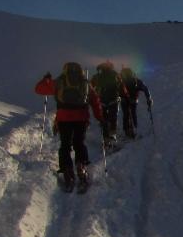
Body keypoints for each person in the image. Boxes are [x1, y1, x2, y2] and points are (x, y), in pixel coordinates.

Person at [35, 62, 103, 191]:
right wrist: (100, 118)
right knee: (79, 143)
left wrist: (46, 80)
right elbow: (95, 101)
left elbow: (39, 89)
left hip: (64, 117)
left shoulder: (59, 82)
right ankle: (81, 167)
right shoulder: (85, 83)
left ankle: (67, 171)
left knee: (65, 144)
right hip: (81, 117)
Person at [91, 61, 123, 142]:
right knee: (113, 117)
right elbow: (121, 85)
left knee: (104, 118)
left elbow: (90, 86)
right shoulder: (115, 74)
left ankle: (105, 136)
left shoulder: (97, 76)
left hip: (101, 100)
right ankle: (112, 133)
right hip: (113, 99)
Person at [119, 66, 153, 138]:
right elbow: (145, 89)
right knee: (133, 113)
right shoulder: (136, 81)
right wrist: (149, 98)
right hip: (133, 99)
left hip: (124, 100)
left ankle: (126, 131)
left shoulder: (122, 81)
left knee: (126, 115)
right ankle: (135, 129)